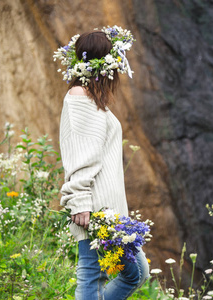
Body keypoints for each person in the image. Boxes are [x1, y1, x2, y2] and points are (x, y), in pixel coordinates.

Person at [55, 27, 149, 299]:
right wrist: (81, 201)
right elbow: (81, 154)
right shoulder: (80, 98)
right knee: (93, 274)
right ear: (103, 61)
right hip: (94, 208)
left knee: (135, 273)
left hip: (109, 209)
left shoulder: (89, 98)